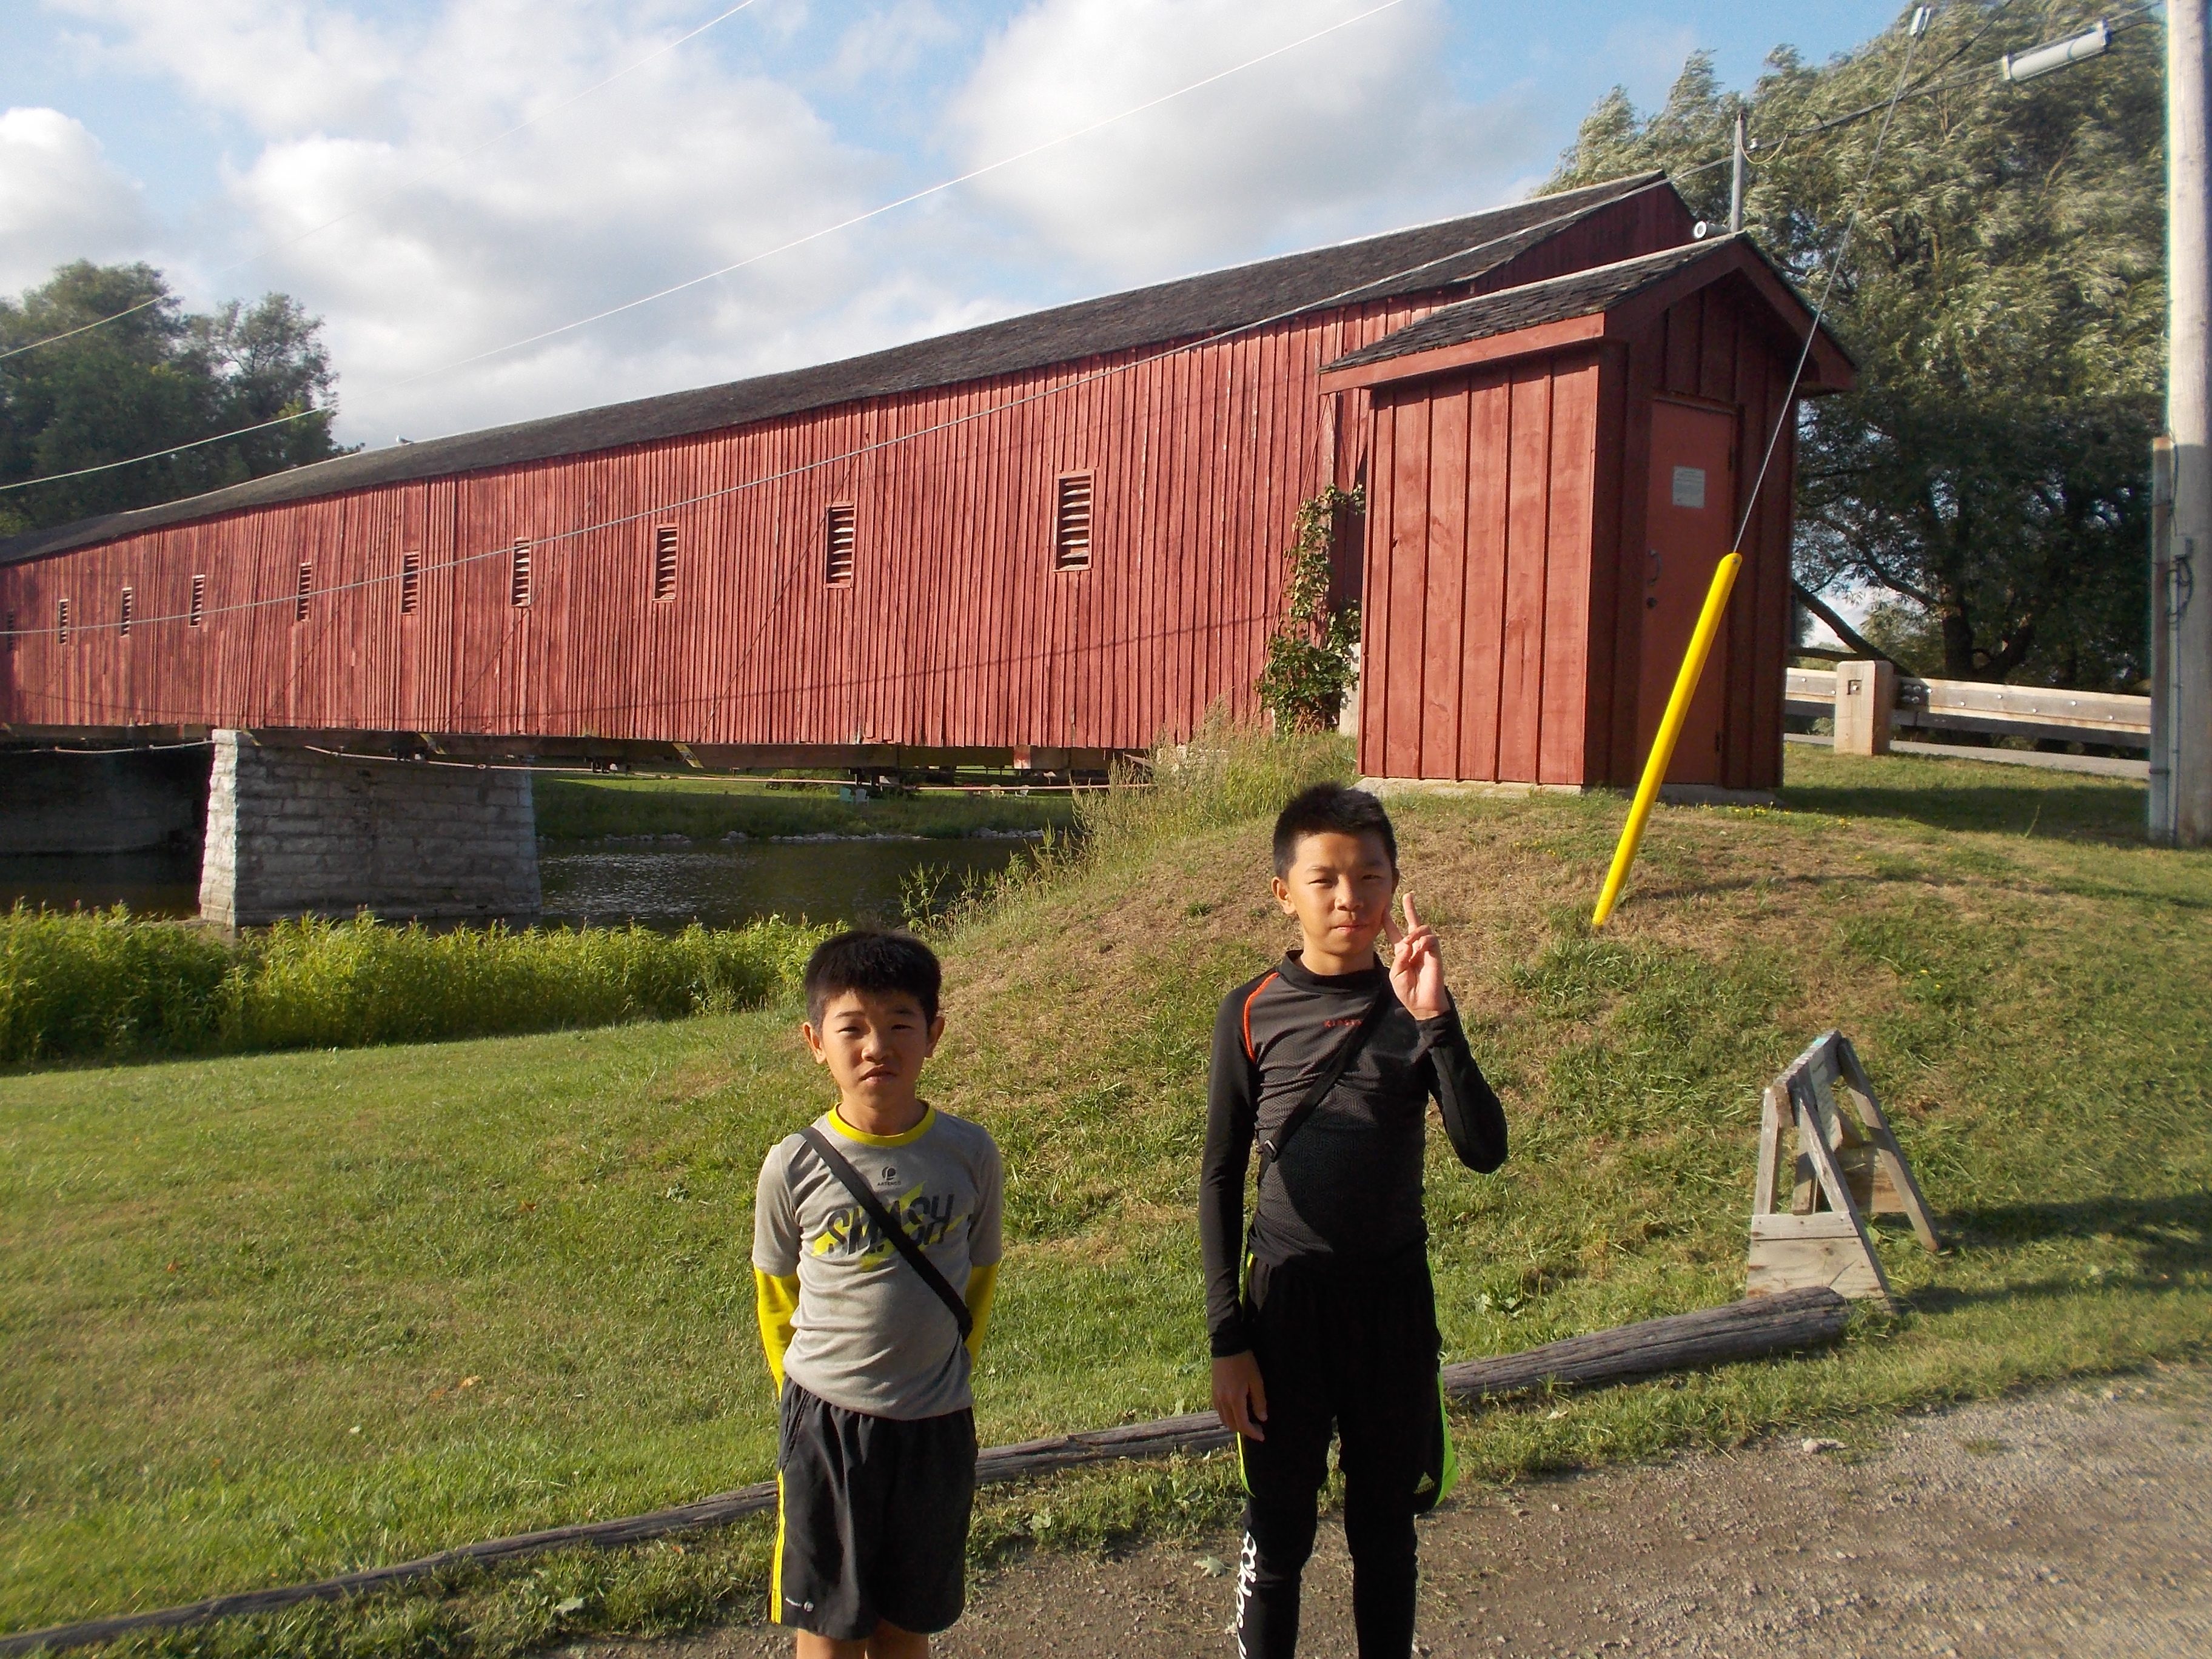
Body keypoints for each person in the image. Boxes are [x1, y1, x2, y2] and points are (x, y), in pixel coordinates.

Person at [1202, 783, 1509, 1659]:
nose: (1351, 899)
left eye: (1370, 878)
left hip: (1392, 1308)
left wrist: (1438, 1020)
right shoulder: (1252, 1011)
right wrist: (1230, 1338)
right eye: (1327, 880)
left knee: (1385, 1532)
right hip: (1286, 1307)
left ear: (1395, 883)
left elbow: (1484, 1149)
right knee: (1281, 1532)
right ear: (1284, 893)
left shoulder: (1416, 1008)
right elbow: (1221, 1178)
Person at [754, 929, 1004, 1659]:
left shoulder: (968, 1153)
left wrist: (944, 1372)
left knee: (907, 1624)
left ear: (935, 1033)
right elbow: (776, 1291)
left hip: (934, 1423)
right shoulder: (793, 1165)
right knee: (828, 1629)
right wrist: (805, 1394)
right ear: (815, 1040)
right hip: (826, 1429)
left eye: (900, 1025)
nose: (877, 1047)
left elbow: (979, 1277)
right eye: (853, 1028)